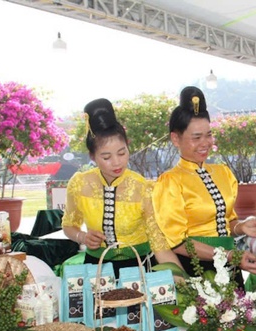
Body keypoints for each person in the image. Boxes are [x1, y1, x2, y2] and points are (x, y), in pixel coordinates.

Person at [152, 86, 256, 279]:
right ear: (175, 138)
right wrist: (228, 256)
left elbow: (227, 220)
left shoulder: (223, 173)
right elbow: (177, 242)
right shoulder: (170, 182)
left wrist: (241, 227)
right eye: (196, 137)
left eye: (208, 135)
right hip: (197, 268)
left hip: (233, 262)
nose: (205, 143)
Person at [61, 98, 182, 278]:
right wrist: (83, 237)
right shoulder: (80, 184)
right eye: (106, 157)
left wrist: (185, 285)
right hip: (97, 270)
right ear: (92, 156)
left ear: (128, 147)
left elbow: (159, 245)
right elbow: (69, 226)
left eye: (122, 152)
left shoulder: (143, 188)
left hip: (139, 269)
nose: (117, 162)